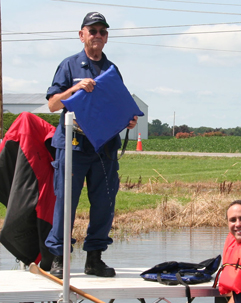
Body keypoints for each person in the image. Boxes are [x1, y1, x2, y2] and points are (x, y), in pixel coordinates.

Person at [44, 12, 138, 278]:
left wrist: (128, 120)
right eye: (93, 30)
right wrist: (75, 89)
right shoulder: (69, 66)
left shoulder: (111, 69)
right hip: (73, 146)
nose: (97, 35)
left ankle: (94, 259)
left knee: (104, 203)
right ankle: (59, 258)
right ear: (81, 34)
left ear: (107, 37)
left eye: (102, 31)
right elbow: (52, 105)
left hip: (104, 148)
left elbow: (118, 104)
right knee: (66, 203)